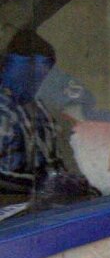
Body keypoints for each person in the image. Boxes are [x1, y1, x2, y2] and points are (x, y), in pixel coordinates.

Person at [0, 28, 99, 212]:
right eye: (35, 74)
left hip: (44, 214)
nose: (39, 81)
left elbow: (56, 163)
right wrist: (45, 185)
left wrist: (83, 190)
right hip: (11, 221)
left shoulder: (39, 109)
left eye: (44, 75)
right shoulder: (4, 111)